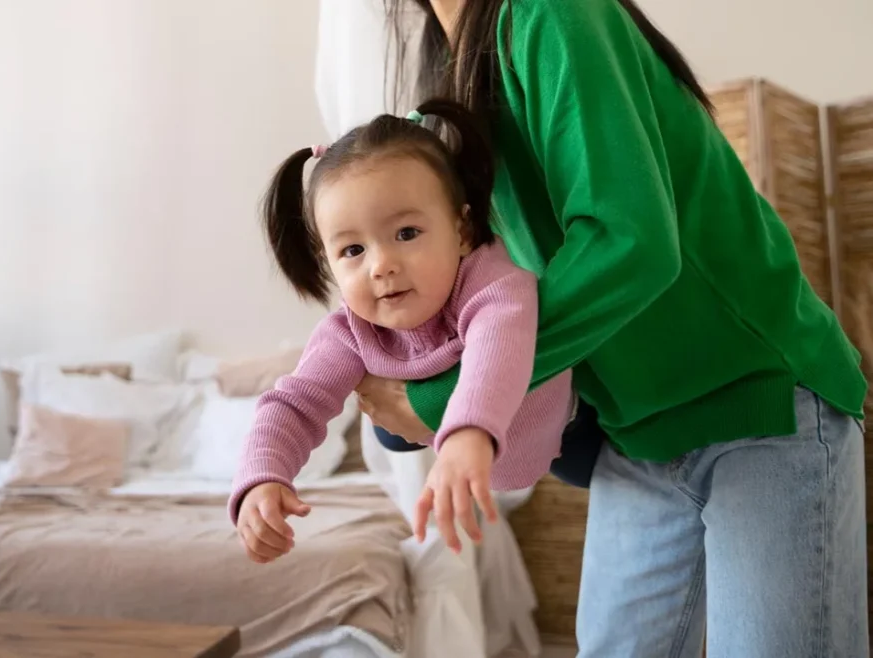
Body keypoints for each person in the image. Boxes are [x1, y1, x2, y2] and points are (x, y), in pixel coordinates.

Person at [349, 0, 870, 656]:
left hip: (759, 402)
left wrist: (450, 396)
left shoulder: (550, 13)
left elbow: (631, 242)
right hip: (636, 435)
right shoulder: (447, 88)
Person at [228, 99, 575, 562]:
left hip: (578, 429)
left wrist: (466, 433)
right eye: (352, 250)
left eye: (407, 233)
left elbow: (498, 349)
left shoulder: (493, 282)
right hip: (495, 453)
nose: (381, 265)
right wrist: (262, 477)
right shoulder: (350, 332)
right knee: (385, 429)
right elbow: (293, 403)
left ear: (463, 231)